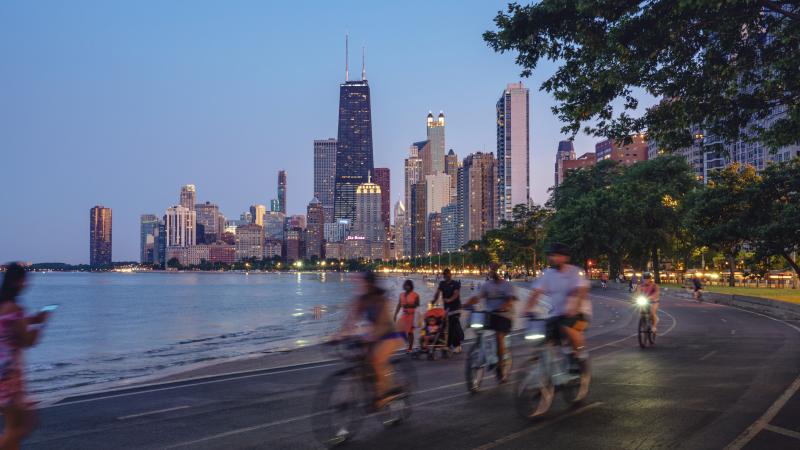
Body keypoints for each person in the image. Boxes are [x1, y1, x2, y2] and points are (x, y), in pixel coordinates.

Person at [0, 263, 50, 450]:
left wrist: (31, 319)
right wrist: (41, 324)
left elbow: (7, 326)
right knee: (21, 425)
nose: (26, 284)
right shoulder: (15, 309)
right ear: (16, 282)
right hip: (9, 375)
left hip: (3, 372)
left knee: (16, 426)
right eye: (24, 280)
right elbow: (29, 341)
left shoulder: (4, 307)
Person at [339, 271, 405, 409]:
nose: (361, 286)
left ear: (371, 284)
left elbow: (382, 323)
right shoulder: (361, 300)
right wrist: (338, 336)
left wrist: (369, 337)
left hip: (389, 335)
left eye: (364, 283)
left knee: (376, 361)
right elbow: (349, 321)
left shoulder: (382, 300)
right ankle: (375, 388)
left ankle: (385, 394)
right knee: (363, 363)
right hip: (374, 334)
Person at [524, 243, 591, 363]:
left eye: (556, 255)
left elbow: (581, 291)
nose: (552, 258)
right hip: (557, 314)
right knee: (542, 334)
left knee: (568, 326)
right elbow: (536, 292)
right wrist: (527, 308)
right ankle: (547, 366)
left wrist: (574, 308)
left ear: (565, 257)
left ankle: (581, 354)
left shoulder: (575, 272)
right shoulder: (547, 274)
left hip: (581, 315)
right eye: (550, 255)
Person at [464, 263, 516, 382]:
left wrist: (504, 307)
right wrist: (465, 304)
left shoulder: (507, 285)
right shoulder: (486, 285)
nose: (493, 272)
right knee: (477, 329)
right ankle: (480, 351)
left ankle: (501, 367)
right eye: (491, 270)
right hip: (490, 315)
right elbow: (477, 297)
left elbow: (509, 300)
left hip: (504, 316)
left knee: (499, 335)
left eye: (495, 270)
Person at [433, 268, 463, 352]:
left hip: (456, 308)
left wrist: (449, 300)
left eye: (448, 274)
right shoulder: (442, 284)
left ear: (450, 274)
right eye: (445, 275)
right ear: (443, 276)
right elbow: (437, 293)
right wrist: (433, 301)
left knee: (453, 326)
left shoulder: (455, 283)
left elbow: (456, 294)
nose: (446, 276)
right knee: (446, 326)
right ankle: (448, 344)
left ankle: (457, 345)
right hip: (446, 310)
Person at [393, 279, 419, 353]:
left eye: (408, 285)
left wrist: (410, 305)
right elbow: (399, 305)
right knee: (399, 329)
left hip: (412, 315)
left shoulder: (415, 295)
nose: (407, 287)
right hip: (404, 315)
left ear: (411, 286)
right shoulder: (401, 294)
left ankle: (410, 348)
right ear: (404, 286)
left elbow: (417, 305)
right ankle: (407, 343)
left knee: (410, 332)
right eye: (406, 285)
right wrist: (395, 314)